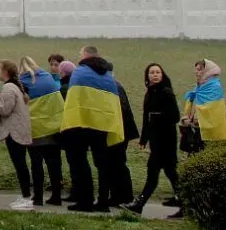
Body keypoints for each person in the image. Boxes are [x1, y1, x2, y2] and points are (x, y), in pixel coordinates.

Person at [61, 46, 125, 213]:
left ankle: (85, 201)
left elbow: (74, 99)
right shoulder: (108, 75)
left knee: (80, 161)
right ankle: (103, 202)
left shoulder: (80, 72)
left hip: (81, 123)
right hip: (103, 124)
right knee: (103, 164)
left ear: (85, 55)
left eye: (80, 53)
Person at [126, 63, 181, 214]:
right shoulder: (150, 93)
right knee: (171, 173)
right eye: (152, 72)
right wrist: (144, 138)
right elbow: (146, 118)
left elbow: (175, 116)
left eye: (158, 72)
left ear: (162, 75)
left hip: (167, 139)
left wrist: (158, 118)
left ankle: (140, 204)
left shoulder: (166, 92)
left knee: (154, 172)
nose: (155, 75)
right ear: (147, 76)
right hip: (156, 140)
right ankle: (186, 203)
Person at [18, 56, 65, 207]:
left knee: (36, 165)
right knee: (54, 165)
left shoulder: (22, 83)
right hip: (53, 129)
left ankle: (38, 197)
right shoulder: (49, 79)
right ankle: (56, 196)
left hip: (35, 131)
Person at [0, 59, 34, 210]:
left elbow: (4, 110)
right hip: (18, 131)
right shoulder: (15, 86)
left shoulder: (9, 88)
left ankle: (26, 198)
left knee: (20, 165)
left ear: (6, 72)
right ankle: (25, 196)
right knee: (21, 164)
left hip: (14, 132)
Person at [107, 72, 139, 205]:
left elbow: (121, 109)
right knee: (115, 164)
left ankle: (125, 196)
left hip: (120, 131)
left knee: (118, 164)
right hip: (121, 130)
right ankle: (117, 196)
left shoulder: (114, 87)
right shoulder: (115, 85)